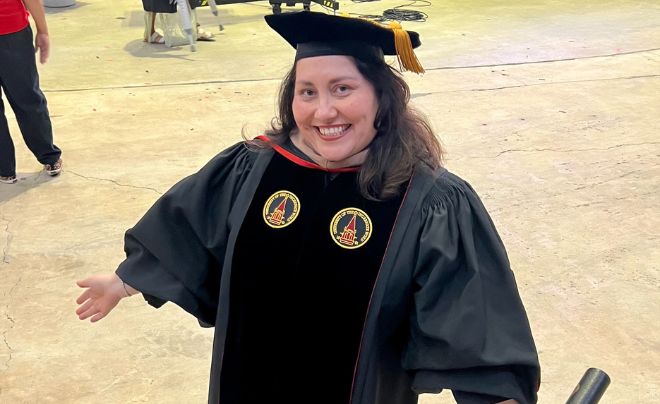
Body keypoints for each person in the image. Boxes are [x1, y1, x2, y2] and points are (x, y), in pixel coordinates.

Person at [76, 11, 540, 404]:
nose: (323, 112)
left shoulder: (429, 201)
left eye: (342, 89)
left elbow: (472, 315)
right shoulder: (252, 169)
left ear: (381, 96)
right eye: (308, 92)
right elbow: (188, 229)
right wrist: (125, 280)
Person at [0, 0, 63, 184]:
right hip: (12, 32)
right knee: (27, 98)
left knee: (28, 97)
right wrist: (43, 30)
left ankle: (4, 169)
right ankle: (49, 157)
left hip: (12, 30)